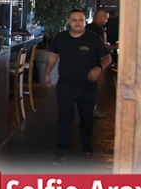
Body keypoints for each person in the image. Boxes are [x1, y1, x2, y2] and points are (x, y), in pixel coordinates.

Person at [45, 9, 111, 165]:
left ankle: (87, 144)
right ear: (69, 22)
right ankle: (62, 152)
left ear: (85, 22)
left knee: (87, 118)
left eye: (80, 20)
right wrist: (47, 73)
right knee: (64, 118)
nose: (77, 23)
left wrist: (99, 68)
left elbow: (107, 57)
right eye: (74, 20)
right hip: (65, 85)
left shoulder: (93, 38)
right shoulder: (60, 38)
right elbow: (53, 55)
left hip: (87, 86)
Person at [85, 8, 113, 118]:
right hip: (97, 62)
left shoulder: (87, 28)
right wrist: (115, 46)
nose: (106, 21)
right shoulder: (98, 30)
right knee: (97, 86)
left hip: (88, 61)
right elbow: (102, 47)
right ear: (101, 17)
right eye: (106, 18)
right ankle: (93, 108)